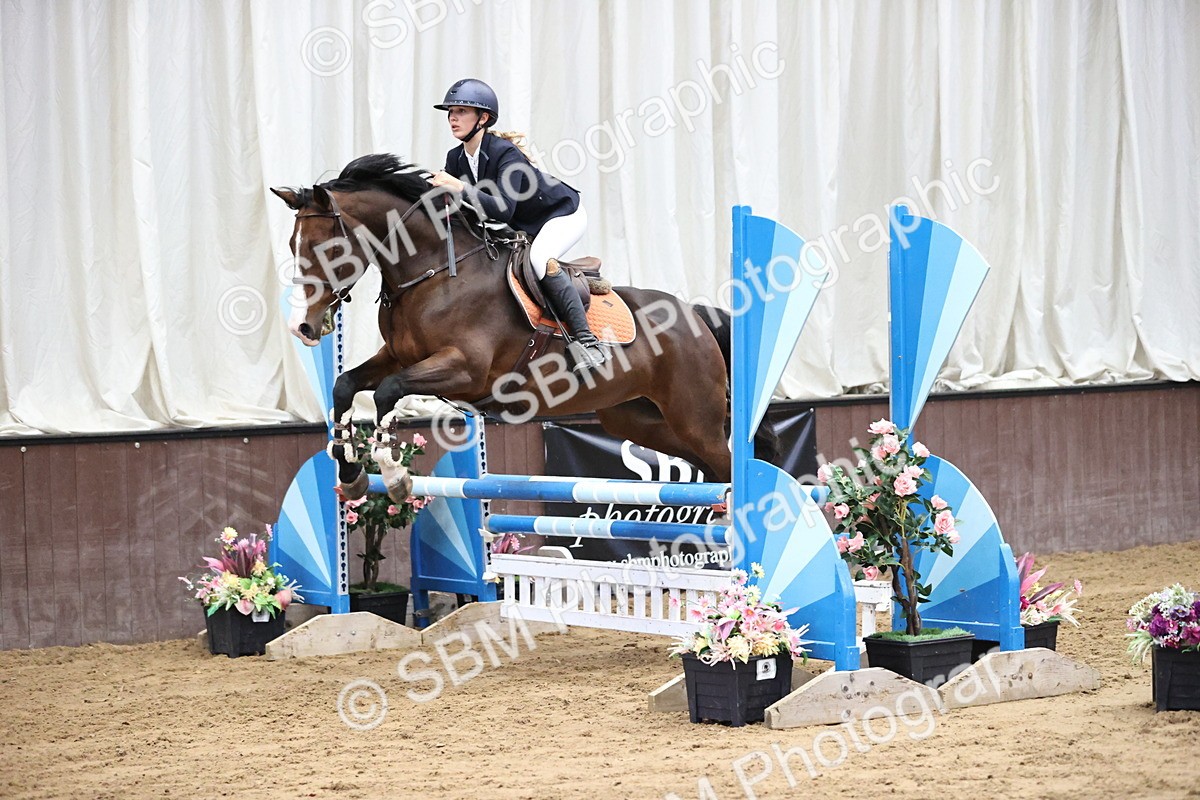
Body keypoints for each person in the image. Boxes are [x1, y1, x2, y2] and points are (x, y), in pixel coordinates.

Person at [428, 78, 609, 372]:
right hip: (522, 225)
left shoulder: (504, 154)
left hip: (562, 214)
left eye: (461, 111)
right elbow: (455, 209)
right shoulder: (456, 158)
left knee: (540, 259)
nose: (452, 118)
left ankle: (587, 342)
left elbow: (501, 209)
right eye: (451, 112)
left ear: (483, 118)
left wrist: (459, 189)